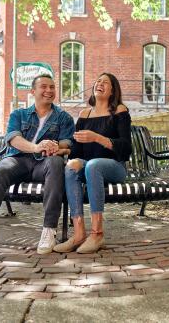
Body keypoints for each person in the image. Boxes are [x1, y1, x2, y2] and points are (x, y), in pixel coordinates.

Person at [0, 74, 74, 259]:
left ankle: (49, 231)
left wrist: (57, 147)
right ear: (33, 91)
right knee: (0, 171)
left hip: (45, 163)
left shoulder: (63, 117)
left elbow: (67, 142)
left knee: (56, 163)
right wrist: (36, 147)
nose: (49, 91)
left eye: (52, 87)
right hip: (18, 159)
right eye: (44, 87)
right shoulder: (19, 114)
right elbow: (14, 139)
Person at [54, 72, 132, 254]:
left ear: (113, 91)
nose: (100, 84)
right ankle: (79, 233)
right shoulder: (84, 114)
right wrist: (64, 151)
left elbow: (126, 148)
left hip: (115, 167)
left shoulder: (120, 111)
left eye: (105, 82)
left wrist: (97, 138)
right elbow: (78, 152)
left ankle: (97, 233)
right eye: (98, 81)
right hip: (90, 167)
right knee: (72, 165)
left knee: (93, 164)